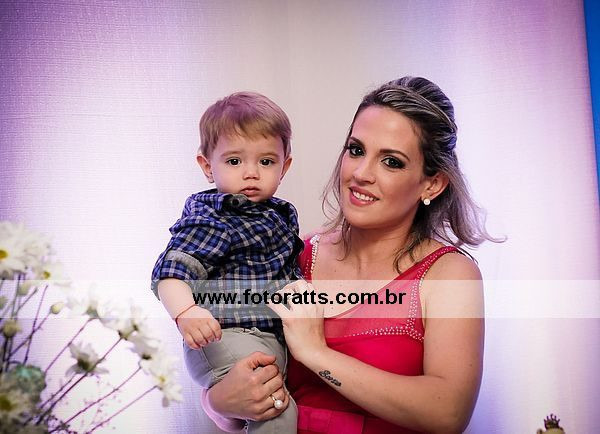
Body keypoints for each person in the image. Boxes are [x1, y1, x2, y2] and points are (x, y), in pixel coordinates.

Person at [201, 76, 497, 433]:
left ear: (431, 183)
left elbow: (448, 414)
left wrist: (316, 353)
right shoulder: (293, 255)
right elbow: (237, 377)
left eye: (391, 162)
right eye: (356, 150)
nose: (360, 173)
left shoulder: (448, 274)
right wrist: (219, 402)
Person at [151, 91, 304, 433]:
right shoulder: (214, 218)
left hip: (266, 339)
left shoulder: (279, 215)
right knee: (275, 409)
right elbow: (171, 272)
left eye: (266, 162)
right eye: (234, 161)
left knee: (272, 406)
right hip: (225, 335)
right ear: (208, 166)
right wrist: (186, 311)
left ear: (284, 166)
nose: (251, 173)